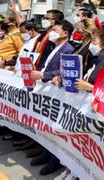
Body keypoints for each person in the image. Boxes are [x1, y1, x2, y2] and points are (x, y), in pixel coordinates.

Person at [29, 19, 74, 176]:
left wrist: (43, 75)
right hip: (46, 93)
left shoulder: (68, 49)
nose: (52, 32)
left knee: (56, 128)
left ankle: (55, 160)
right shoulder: (53, 47)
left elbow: (62, 72)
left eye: (55, 29)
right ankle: (45, 153)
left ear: (65, 33)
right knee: (45, 125)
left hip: (57, 95)